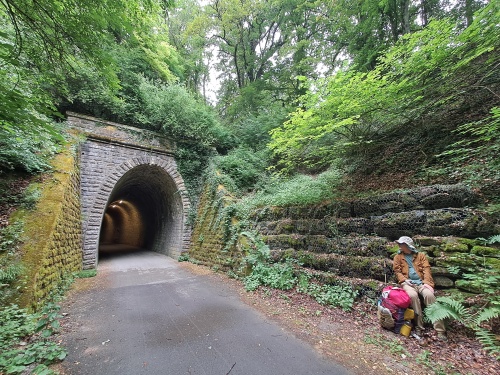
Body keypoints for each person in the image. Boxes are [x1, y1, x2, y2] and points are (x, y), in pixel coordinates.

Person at [393, 236, 447, 341]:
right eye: (399, 243)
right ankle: (419, 327)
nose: (399, 245)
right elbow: (397, 271)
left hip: (422, 283)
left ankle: (440, 330)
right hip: (407, 283)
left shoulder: (421, 256)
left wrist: (427, 284)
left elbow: (427, 270)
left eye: (401, 244)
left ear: (408, 245)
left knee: (429, 295)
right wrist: (404, 280)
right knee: (412, 296)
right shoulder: (397, 257)